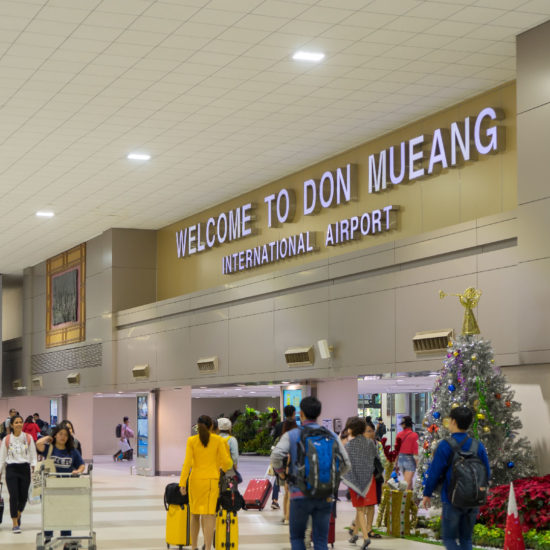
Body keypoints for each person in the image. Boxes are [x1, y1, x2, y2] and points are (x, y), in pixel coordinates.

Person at [271, 396, 351, 550]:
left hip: (299, 493)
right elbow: (346, 463)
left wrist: (281, 474)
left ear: (301, 413)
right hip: (325, 494)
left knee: (297, 538)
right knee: (321, 540)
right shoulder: (331, 435)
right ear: (318, 413)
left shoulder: (293, 435)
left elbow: (276, 456)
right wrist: (333, 477)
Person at [422, 406, 490, 550]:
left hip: (451, 499)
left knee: (449, 539)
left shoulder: (445, 445)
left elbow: (434, 472)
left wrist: (427, 494)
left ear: (453, 421)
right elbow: (487, 472)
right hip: (473, 499)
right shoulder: (477, 446)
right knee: (466, 539)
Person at [179, 415, 233, 550]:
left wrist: (182, 483)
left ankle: (194, 547)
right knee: (209, 515)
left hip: (194, 481)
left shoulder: (191, 440)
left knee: (194, 515)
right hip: (211, 481)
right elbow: (227, 462)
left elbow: (187, 463)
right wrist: (221, 469)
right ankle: (208, 547)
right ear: (212, 426)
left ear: (198, 426)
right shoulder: (218, 440)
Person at [36, 424, 86, 544]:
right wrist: (48, 438)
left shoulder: (72, 451)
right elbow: (38, 444)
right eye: (60, 434)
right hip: (49, 487)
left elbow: (82, 465)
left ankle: (66, 537)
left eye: (66, 435)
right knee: (49, 512)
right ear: (55, 435)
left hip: (66, 487)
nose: (63, 437)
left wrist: (78, 471)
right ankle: (48, 537)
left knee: (66, 512)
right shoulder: (50, 448)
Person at [342, 417, 377, 549]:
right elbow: (375, 458)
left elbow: (346, 465)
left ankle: (366, 538)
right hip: (369, 480)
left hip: (355, 481)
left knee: (360, 510)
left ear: (352, 429)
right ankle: (355, 535)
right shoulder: (370, 443)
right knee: (360, 508)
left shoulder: (348, 446)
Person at [0, 414, 37, 533]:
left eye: (20, 422)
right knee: (14, 496)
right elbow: (2, 457)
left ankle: (18, 513)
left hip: (24, 469)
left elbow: (33, 454)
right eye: (16, 422)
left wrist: (34, 467)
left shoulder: (28, 438)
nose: (19, 424)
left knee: (23, 497)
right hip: (11, 469)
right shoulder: (6, 439)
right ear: (11, 425)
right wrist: (0, 471)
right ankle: (15, 523)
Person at [271, 405, 296, 510]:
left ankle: (274, 500)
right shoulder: (296, 427)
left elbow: (274, 441)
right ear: (294, 413)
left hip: (279, 457)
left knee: (278, 478)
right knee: (290, 486)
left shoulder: (278, 426)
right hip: (291, 460)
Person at [395, 416, 419, 490]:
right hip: (410, 460)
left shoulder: (399, 435)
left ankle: (410, 496)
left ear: (404, 425)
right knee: (406, 484)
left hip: (400, 460)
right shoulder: (414, 435)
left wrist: (395, 463)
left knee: (409, 482)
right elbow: (415, 452)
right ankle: (403, 497)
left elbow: (396, 450)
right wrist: (418, 464)